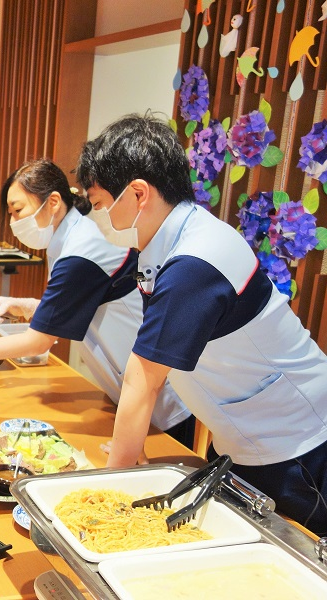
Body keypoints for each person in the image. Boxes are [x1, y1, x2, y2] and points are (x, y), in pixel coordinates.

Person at [76, 113, 327, 535]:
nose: (99, 217)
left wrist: (110, 491)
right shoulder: (165, 240)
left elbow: (144, 377)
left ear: (138, 193)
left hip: (296, 443)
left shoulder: (195, 260)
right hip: (244, 435)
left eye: (100, 204)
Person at [0, 159, 193, 448]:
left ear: (53, 202)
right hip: (129, 383)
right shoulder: (70, 237)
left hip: (160, 399)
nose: (14, 222)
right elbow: (79, 303)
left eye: (18, 210)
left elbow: (39, 342)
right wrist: (27, 305)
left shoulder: (81, 249)